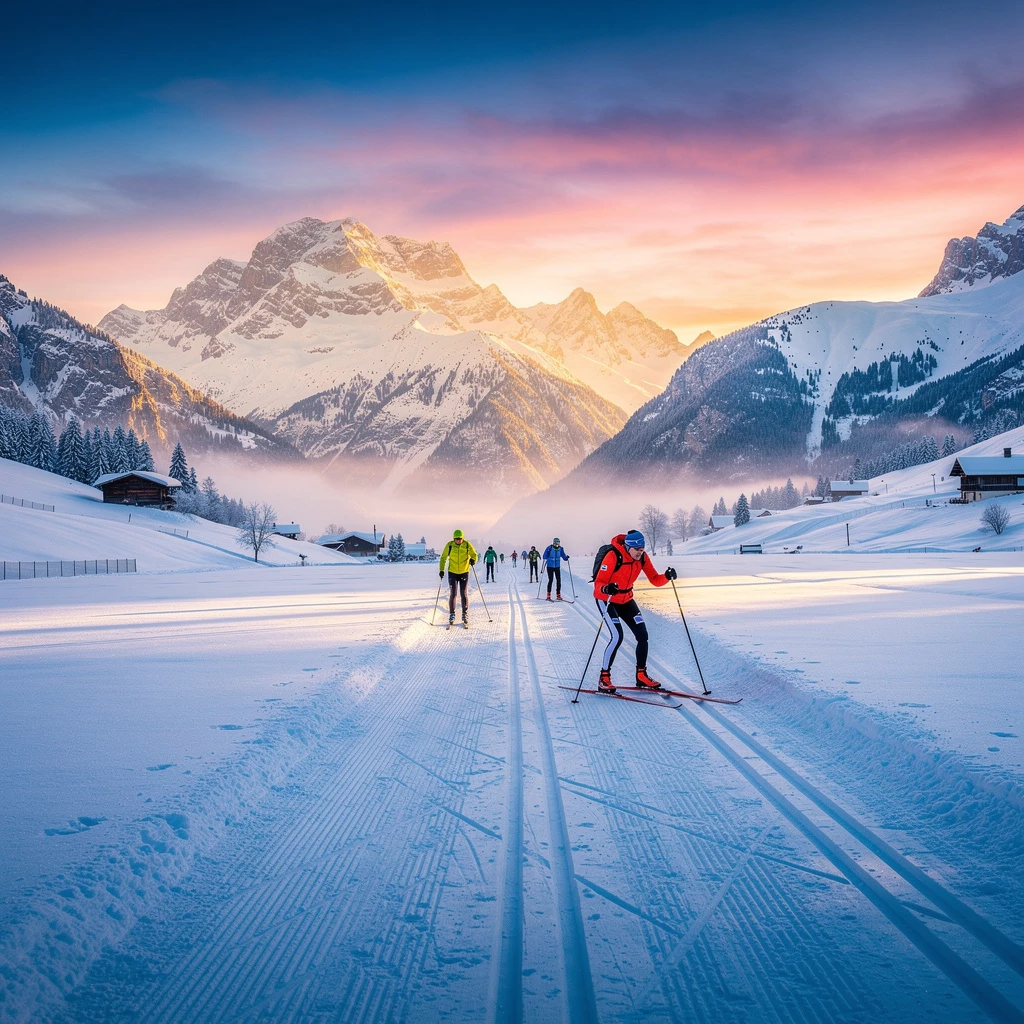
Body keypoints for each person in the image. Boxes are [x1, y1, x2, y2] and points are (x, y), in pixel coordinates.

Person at [592, 529, 677, 692]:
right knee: (617, 636)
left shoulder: (643, 558)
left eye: (642, 549)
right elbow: (598, 586)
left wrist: (667, 576)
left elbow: (655, 580)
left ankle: (641, 675)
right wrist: (606, 588)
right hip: (607, 600)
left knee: (642, 635)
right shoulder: (613, 556)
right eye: (637, 550)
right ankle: (604, 678)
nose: (640, 553)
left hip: (626, 599)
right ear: (628, 547)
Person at [439, 529, 478, 625]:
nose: (458, 541)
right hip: (452, 572)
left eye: (460, 539)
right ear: (453, 538)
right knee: (453, 593)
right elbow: (443, 558)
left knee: (463, 593)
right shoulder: (450, 545)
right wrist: (441, 570)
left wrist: (473, 560)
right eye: (456, 539)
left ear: (463, 538)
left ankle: (465, 614)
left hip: (464, 572)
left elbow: (474, 554)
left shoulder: (467, 545)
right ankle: (452, 614)